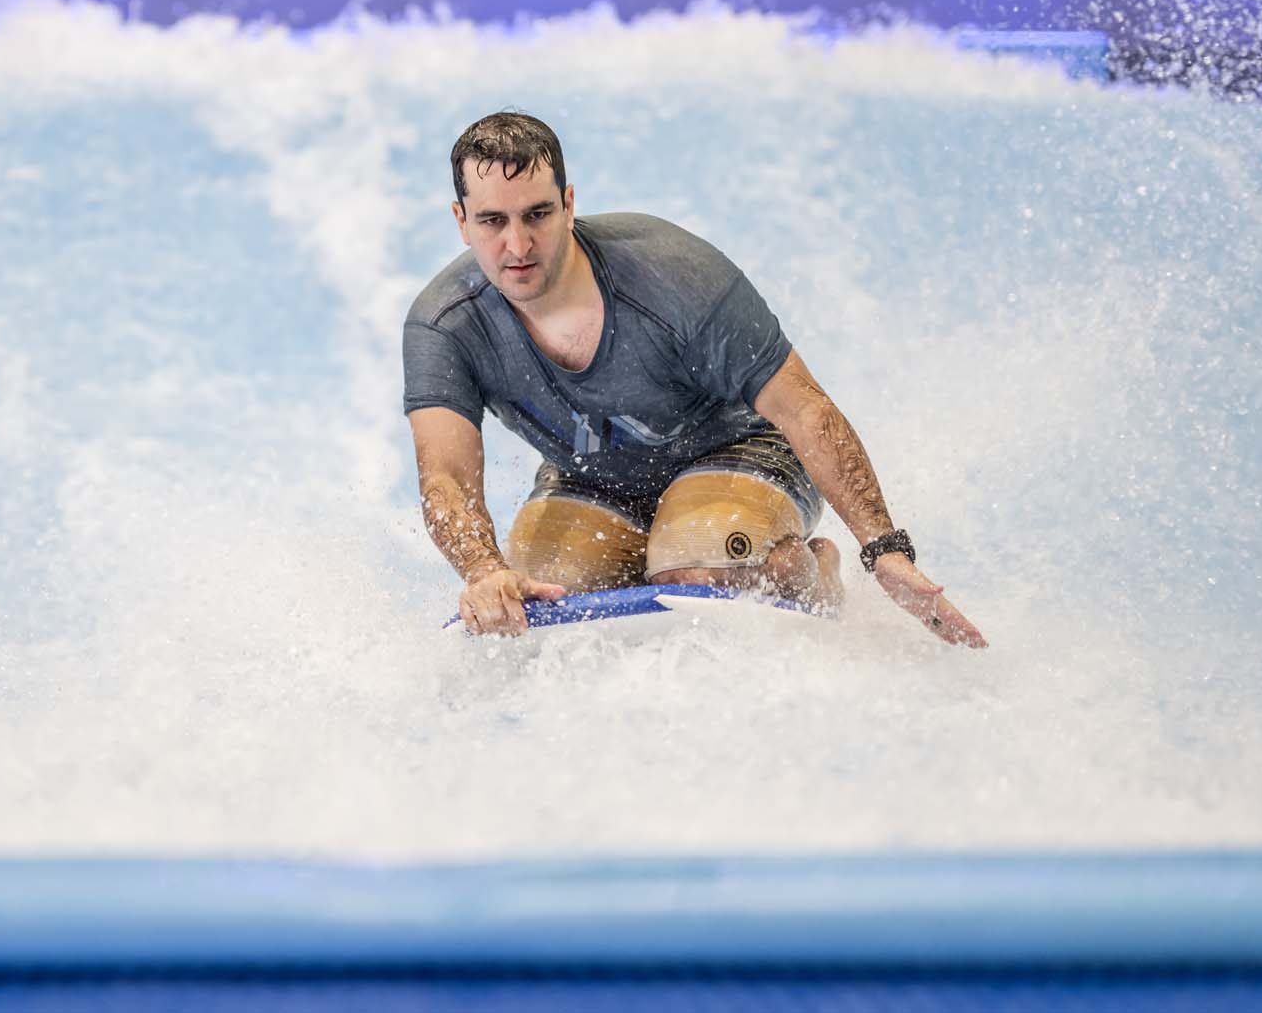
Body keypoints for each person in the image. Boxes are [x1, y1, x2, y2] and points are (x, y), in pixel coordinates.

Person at [403, 111, 986, 648]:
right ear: (461, 221)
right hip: (595, 477)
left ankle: (809, 569)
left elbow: (805, 409)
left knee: (698, 564)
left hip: (745, 449)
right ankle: (652, 552)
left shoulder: (670, 276)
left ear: (568, 204)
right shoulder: (445, 323)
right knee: (543, 597)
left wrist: (883, 549)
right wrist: (485, 572)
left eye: (536, 214)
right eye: (492, 221)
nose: (518, 244)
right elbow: (446, 479)